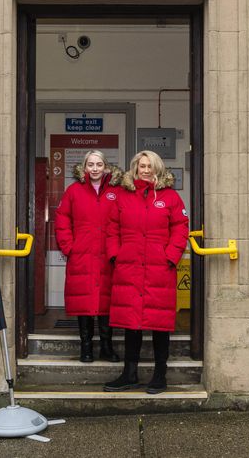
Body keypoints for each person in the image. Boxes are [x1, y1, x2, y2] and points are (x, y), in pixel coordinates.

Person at [103, 150, 188, 394]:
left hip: (159, 269)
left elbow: (180, 228)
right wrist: (116, 255)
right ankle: (129, 374)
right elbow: (112, 229)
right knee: (131, 323)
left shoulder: (170, 197)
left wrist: (170, 257)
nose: (146, 170)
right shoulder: (122, 195)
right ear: (135, 168)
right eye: (142, 165)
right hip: (129, 268)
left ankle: (160, 374)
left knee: (160, 324)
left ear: (158, 168)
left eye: (150, 165)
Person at [53, 150, 122, 363]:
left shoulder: (117, 191)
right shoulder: (73, 191)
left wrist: (119, 251)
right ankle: (86, 346)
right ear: (84, 168)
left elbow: (124, 220)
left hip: (108, 257)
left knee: (106, 301)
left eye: (99, 164)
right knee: (84, 303)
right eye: (90, 164)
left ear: (106, 167)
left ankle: (107, 346)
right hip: (82, 256)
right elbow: (62, 219)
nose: (94, 169)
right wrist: (69, 247)